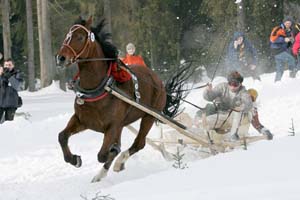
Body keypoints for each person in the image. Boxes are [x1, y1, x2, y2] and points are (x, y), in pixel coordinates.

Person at [197, 71, 253, 140]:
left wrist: (242, 107)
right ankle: (208, 137)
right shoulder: (222, 87)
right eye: (230, 84)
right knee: (205, 122)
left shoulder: (243, 91)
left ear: (240, 84)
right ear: (228, 82)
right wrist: (208, 91)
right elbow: (209, 97)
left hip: (233, 117)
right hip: (220, 115)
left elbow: (249, 103)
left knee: (237, 112)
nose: (232, 87)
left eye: (235, 84)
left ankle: (233, 134)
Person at [270, 16, 297, 82]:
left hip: (282, 50)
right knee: (291, 60)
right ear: (284, 22)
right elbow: (272, 39)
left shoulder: (290, 31)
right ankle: (292, 78)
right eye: (287, 23)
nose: (288, 24)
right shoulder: (278, 28)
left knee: (280, 69)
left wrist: (291, 41)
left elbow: (288, 43)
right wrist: (283, 39)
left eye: (289, 23)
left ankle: (277, 83)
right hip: (277, 50)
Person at [0, 58, 23, 124]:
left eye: (9, 65)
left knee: (9, 125)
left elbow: (17, 86)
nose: (7, 67)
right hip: (0, 103)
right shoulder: (1, 74)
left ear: (13, 66)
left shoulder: (17, 74)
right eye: (6, 65)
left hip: (11, 103)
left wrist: (10, 77)